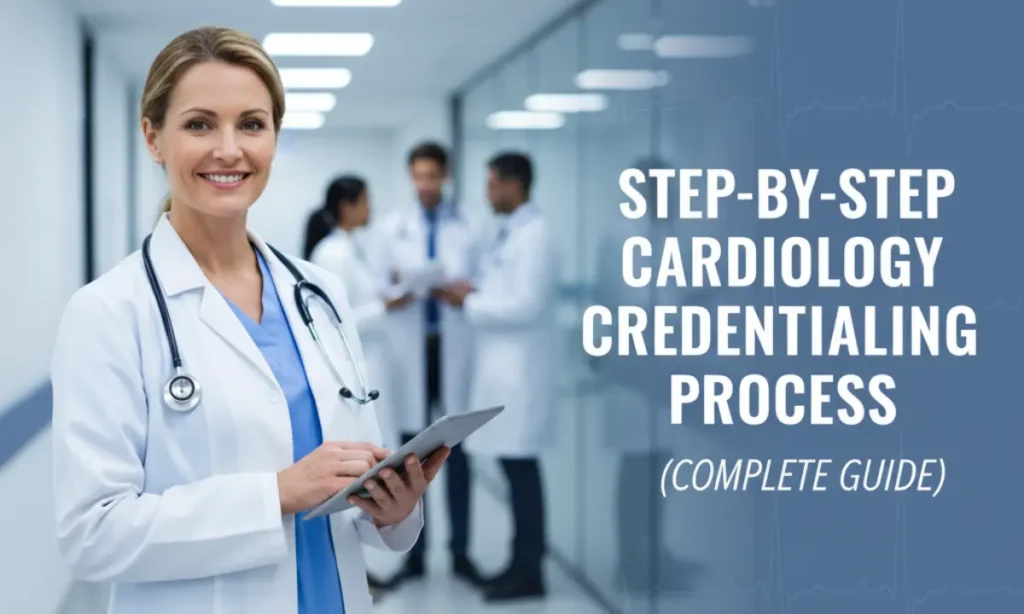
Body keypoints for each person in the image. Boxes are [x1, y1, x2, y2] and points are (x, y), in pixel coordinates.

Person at [49, 26, 444, 614]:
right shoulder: (109, 312)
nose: (229, 149)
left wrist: (395, 508)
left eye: (252, 124)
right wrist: (276, 494)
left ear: (274, 139)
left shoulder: (320, 293)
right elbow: (92, 534)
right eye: (200, 124)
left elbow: (356, 487)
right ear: (153, 137)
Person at [435, 152, 559, 602]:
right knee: (515, 470)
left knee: (522, 472)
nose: (488, 194)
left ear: (514, 184)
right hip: (502, 371)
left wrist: (467, 303)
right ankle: (521, 564)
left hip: (520, 374)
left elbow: (525, 305)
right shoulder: (513, 233)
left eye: (492, 185)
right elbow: (503, 291)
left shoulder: (535, 236)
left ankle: (529, 572)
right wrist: (474, 292)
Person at [372, 142, 485, 588]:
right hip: (409, 347)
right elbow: (379, 287)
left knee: (457, 451)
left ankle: (460, 553)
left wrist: (460, 288)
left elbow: (481, 282)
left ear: (446, 175)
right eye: (418, 176)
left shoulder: (470, 228)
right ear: (410, 176)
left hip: (452, 344)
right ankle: (414, 556)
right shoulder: (390, 229)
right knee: (412, 455)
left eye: (432, 176)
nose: (425, 185)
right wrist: (400, 290)